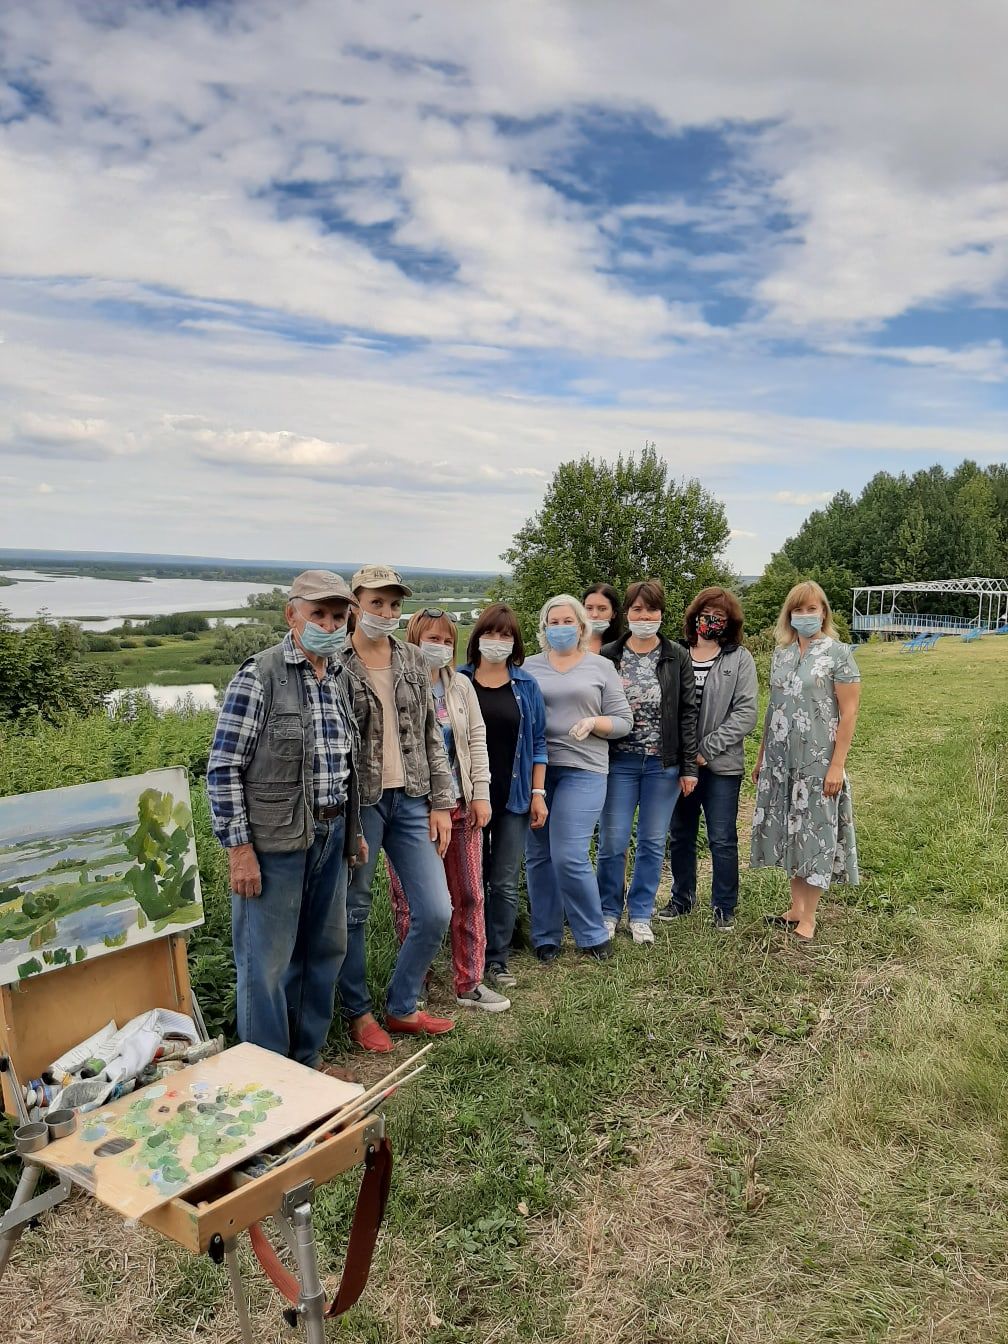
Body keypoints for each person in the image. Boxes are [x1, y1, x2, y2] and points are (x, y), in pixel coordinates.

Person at [207, 570, 364, 1070]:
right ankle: (267, 1077)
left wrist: (352, 831)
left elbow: (346, 763)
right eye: (318, 613)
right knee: (267, 967)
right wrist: (239, 850)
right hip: (274, 843)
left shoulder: (339, 677)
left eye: (338, 616)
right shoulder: (260, 676)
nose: (329, 624)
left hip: (330, 834)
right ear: (291, 614)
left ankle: (306, 1061)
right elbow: (224, 767)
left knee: (323, 952)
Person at [337, 565, 458, 1052]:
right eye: (376, 603)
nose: (386, 612)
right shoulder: (337, 661)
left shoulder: (410, 658)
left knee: (435, 910)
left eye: (393, 604)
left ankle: (402, 1004)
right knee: (354, 911)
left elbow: (431, 732)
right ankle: (358, 1012)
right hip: (360, 803)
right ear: (355, 603)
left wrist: (441, 802)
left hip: (410, 799)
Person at [385, 609, 511, 1013]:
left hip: (461, 804)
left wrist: (481, 794)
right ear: (412, 640)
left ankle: (469, 982)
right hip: (413, 811)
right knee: (412, 902)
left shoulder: (461, 688)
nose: (437, 647)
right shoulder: (397, 684)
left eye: (444, 641)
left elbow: (476, 739)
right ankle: (415, 982)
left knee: (470, 894)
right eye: (429, 639)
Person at [750, 580, 861, 942]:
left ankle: (809, 918)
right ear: (789, 615)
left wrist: (836, 765)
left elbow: (849, 712)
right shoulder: (780, 655)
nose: (805, 615)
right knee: (789, 828)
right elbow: (773, 709)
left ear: (823, 612)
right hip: (782, 758)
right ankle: (795, 907)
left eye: (811, 609)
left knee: (813, 829)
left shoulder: (839, 653)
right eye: (798, 609)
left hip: (818, 759)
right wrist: (762, 757)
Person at [524, 594, 632, 962]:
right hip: (536, 770)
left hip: (584, 768)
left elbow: (623, 722)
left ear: (582, 626)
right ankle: (545, 935)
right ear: (543, 628)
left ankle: (591, 933)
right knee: (538, 855)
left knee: (569, 854)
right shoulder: (528, 667)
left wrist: (594, 722)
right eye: (553, 622)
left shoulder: (600, 667)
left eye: (567, 621)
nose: (560, 628)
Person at [596, 579, 699, 943]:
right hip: (617, 762)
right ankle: (608, 910)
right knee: (613, 841)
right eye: (637, 609)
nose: (645, 616)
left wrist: (688, 767)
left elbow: (688, 713)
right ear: (627, 613)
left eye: (651, 609)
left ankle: (641, 913)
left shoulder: (676, 655)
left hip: (662, 764)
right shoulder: (608, 655)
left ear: (661, 614)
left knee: (654, 841)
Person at [458, 603, 549, 989]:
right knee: (468, 882)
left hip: (512, 798)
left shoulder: (526, 686)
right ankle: (467, 954)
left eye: (505, 635)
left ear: (515, 643)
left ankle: (497, 958)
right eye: (491, 633)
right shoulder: (457, 681)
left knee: (505, 881)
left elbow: (540, 743)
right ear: (477, 638)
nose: (497, 641)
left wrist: (538, 793)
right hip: (467, 798)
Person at [658, 586, 758, 930]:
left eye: (720, 616)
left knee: (722, 837)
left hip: (721, 766)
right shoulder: (675, 653)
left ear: (730, 623)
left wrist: (706, 749)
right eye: (706, 614)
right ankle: (681, 899)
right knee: (680, 834)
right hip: (680, 764)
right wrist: (682, 753)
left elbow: (745, 713)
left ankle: (723, 907)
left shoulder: (738, 658)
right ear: (694, 616)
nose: (711, 620)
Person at [583, 583, 624, 654]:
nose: (594, 615)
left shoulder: (624, 646)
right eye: (589, 608)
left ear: (614, 613)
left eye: (602, 609)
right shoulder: (570, 643)